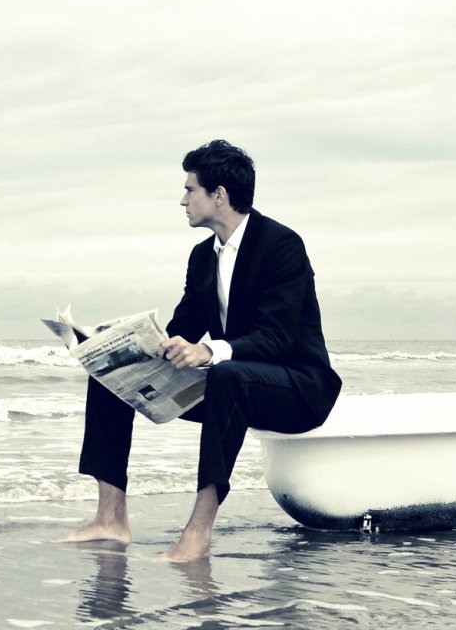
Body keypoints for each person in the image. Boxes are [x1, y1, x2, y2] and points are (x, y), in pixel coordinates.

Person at [61, 140, 342, 561]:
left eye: (190, 189)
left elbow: (277, 338)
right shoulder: (201, 256)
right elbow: (185, 329)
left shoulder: (281, 245)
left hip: (297, 388)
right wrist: (123, 345)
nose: (183, 199)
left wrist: (210, 352)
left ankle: (198, 532)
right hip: (233, 383)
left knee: (228, 374)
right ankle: (111, 518)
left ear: (219, 195)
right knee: (108, 377)